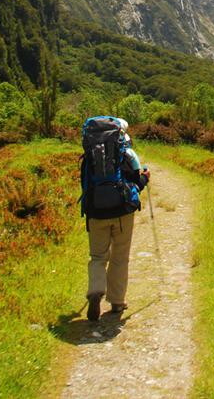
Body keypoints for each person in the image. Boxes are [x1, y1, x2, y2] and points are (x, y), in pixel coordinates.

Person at [85, 117, 150, 322]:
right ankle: (117, 301)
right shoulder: (127, 153)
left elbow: (85, 186)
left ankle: (95, 291)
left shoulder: (89, 156)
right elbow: (136, 182)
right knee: (119, 257)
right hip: (122, 213)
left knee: (98, 257)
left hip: (96, 212)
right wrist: (145, 178)